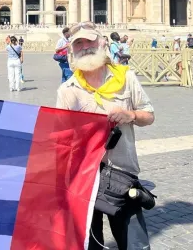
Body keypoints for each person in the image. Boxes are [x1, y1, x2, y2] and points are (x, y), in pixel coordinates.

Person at [55, 22, 154, 250]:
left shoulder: (125, 77)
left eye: (89, 41)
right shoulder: (67, 90)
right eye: (78, 44)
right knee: (91, 244)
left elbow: (149, 116)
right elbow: (61, 137)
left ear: (102, 43)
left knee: (135, 244)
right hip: (84, 177)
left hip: (122, 173)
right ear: (72, 50)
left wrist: (130, 115)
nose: (85, 47)